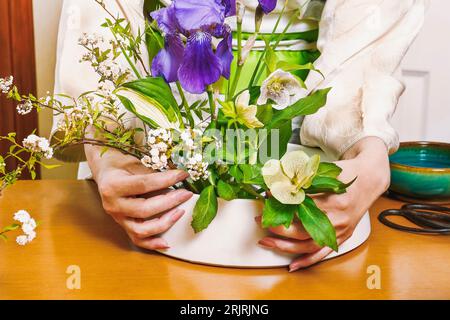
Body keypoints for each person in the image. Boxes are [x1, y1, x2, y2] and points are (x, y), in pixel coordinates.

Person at [53, 0, 426, 270]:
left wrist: (368, 146)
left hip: (305, 144)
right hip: (162, 148)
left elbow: (370, 35)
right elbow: (99, 14)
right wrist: (111, 153)